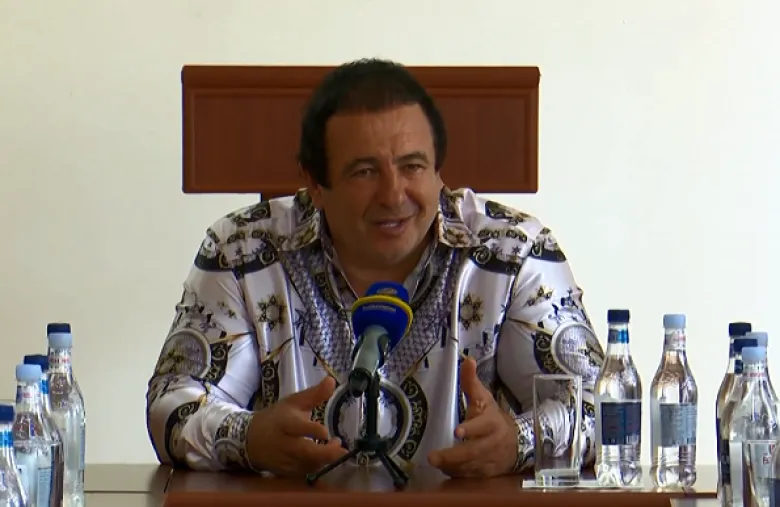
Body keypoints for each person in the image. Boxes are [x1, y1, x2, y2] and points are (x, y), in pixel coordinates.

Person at [145, 57, 605, 479]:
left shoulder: (513, 251)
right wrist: (250, 439)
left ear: (439, 170)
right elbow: (172, 403)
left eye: (413, 166)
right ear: (315, 184)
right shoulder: (242, 250)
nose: (393, 195)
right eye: (364, 172)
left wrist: (517, 442)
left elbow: (602, 406)